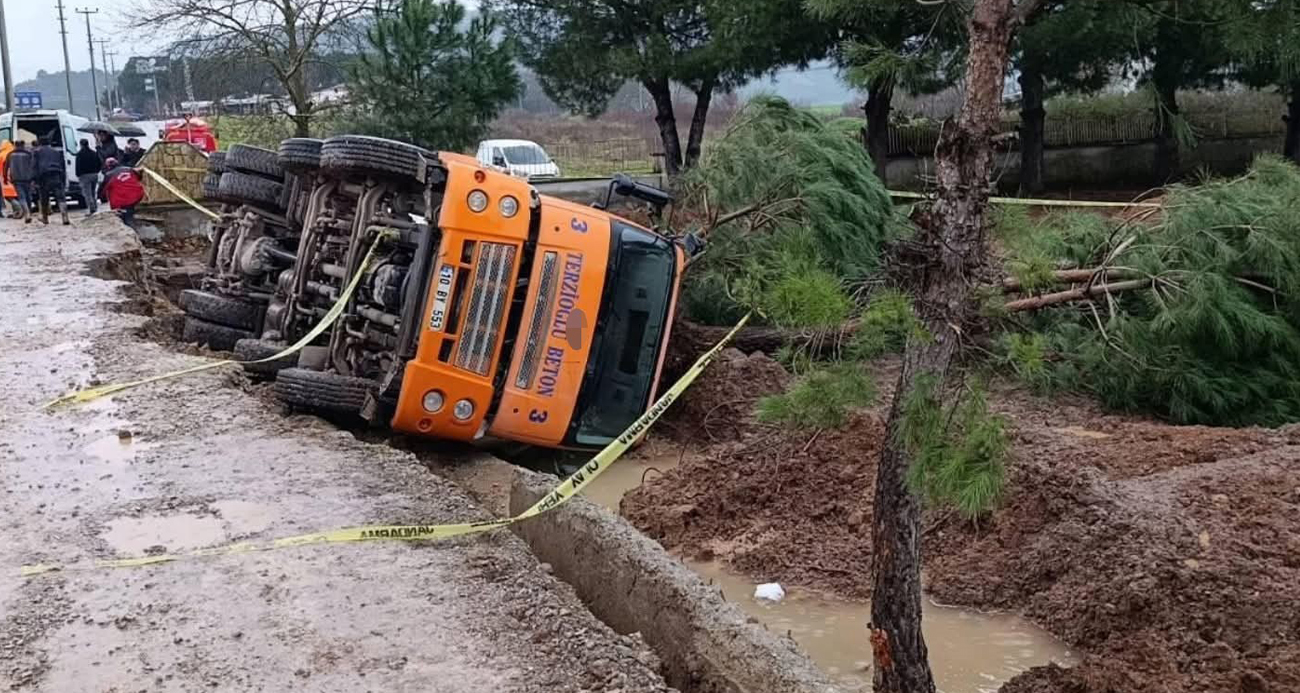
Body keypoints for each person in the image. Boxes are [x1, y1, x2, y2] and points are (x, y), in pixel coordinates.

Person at [33, 137, 70, 225]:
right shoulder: (56, 152)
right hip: (56, 175)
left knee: (44, 198)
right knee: (61, 197)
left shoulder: (37, 152)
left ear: (39, 143)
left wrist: (34, 179)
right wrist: (63, 178)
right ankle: (65, 216)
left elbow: (34, 166)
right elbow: (62, 165)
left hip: (43, 177)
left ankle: (45, 218)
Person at [101, 157, 145, 229]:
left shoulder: (109, 175)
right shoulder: (129, 169)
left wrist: (101, 198)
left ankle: (131, 227)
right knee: (129, 208)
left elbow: (102, 189)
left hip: (123, 199)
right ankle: (130, 219)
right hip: (137, 194)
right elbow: (139, 177)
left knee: (126, 215)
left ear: (108, 166)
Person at [4, 140, 35, 223]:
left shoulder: (10, 154)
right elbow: (33, 166)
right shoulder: (29, 154)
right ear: (23, 145)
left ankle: (27, 213)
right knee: (28, 196)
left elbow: (6, 167)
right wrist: (34, 178)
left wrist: (5, 178)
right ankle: (29, 213)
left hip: (16, 179)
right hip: (28, 179)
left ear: (15, 145)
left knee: (22, 197)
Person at [75, 139, 100, 215]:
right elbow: (99, 163)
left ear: (81, 145)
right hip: (94, 174)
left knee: (87, 193)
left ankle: (91, 209)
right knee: (93, 192)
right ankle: (95, 207)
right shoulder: (94, 153)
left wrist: (78, 175)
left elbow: (78, 166)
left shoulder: (79, 154)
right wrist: (96, 171)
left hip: (85, 176)